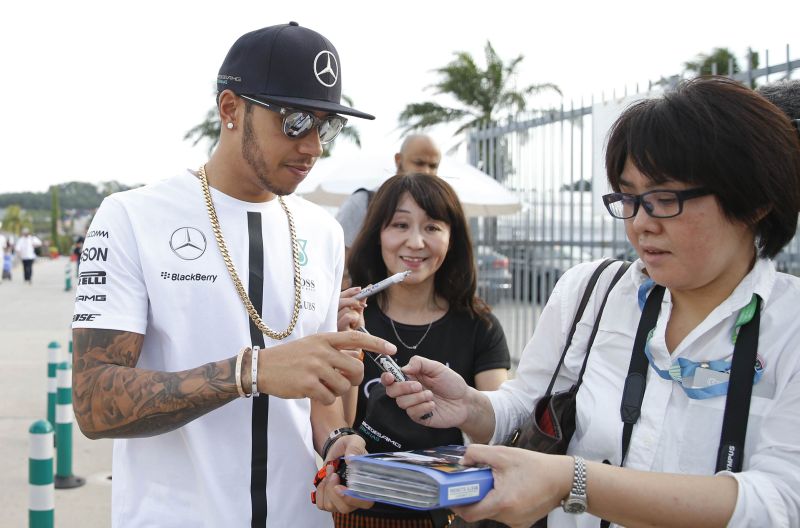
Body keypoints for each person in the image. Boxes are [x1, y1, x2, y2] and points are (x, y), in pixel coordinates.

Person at [380, 77, 800, 527]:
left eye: (664, 199)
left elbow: (780, 501)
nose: (641, 223)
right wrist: (472, 406)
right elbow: (527, 403)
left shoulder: (789, 325)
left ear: (755, 201)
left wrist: (574, 481)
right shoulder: (591, 292)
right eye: (629, 197)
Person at [71, 22, 397, 528]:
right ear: (230, 109)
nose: (313, 146)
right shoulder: (133, 217)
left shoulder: (323, 232)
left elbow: (319, 402)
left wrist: (336, 444)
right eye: (294, 121)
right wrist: (251, 373)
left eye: (326, 125)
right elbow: (93, 401)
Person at [333, 173, 511, 527]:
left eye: (432, 227)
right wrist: (340, 340)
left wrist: (455, 407)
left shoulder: (480, 326)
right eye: (400, 224)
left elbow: (499, 432)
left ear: (452, 238)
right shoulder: (348, 320)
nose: (415, 242)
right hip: (355, 509)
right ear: (377, 234)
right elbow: (335, 426)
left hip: (447, 513)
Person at [336, 135, 441, 286]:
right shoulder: (364, 202)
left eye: (433, 166)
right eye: (419, 163)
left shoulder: (440, 208)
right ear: (399, 160)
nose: (426, 171)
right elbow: (338, 265)